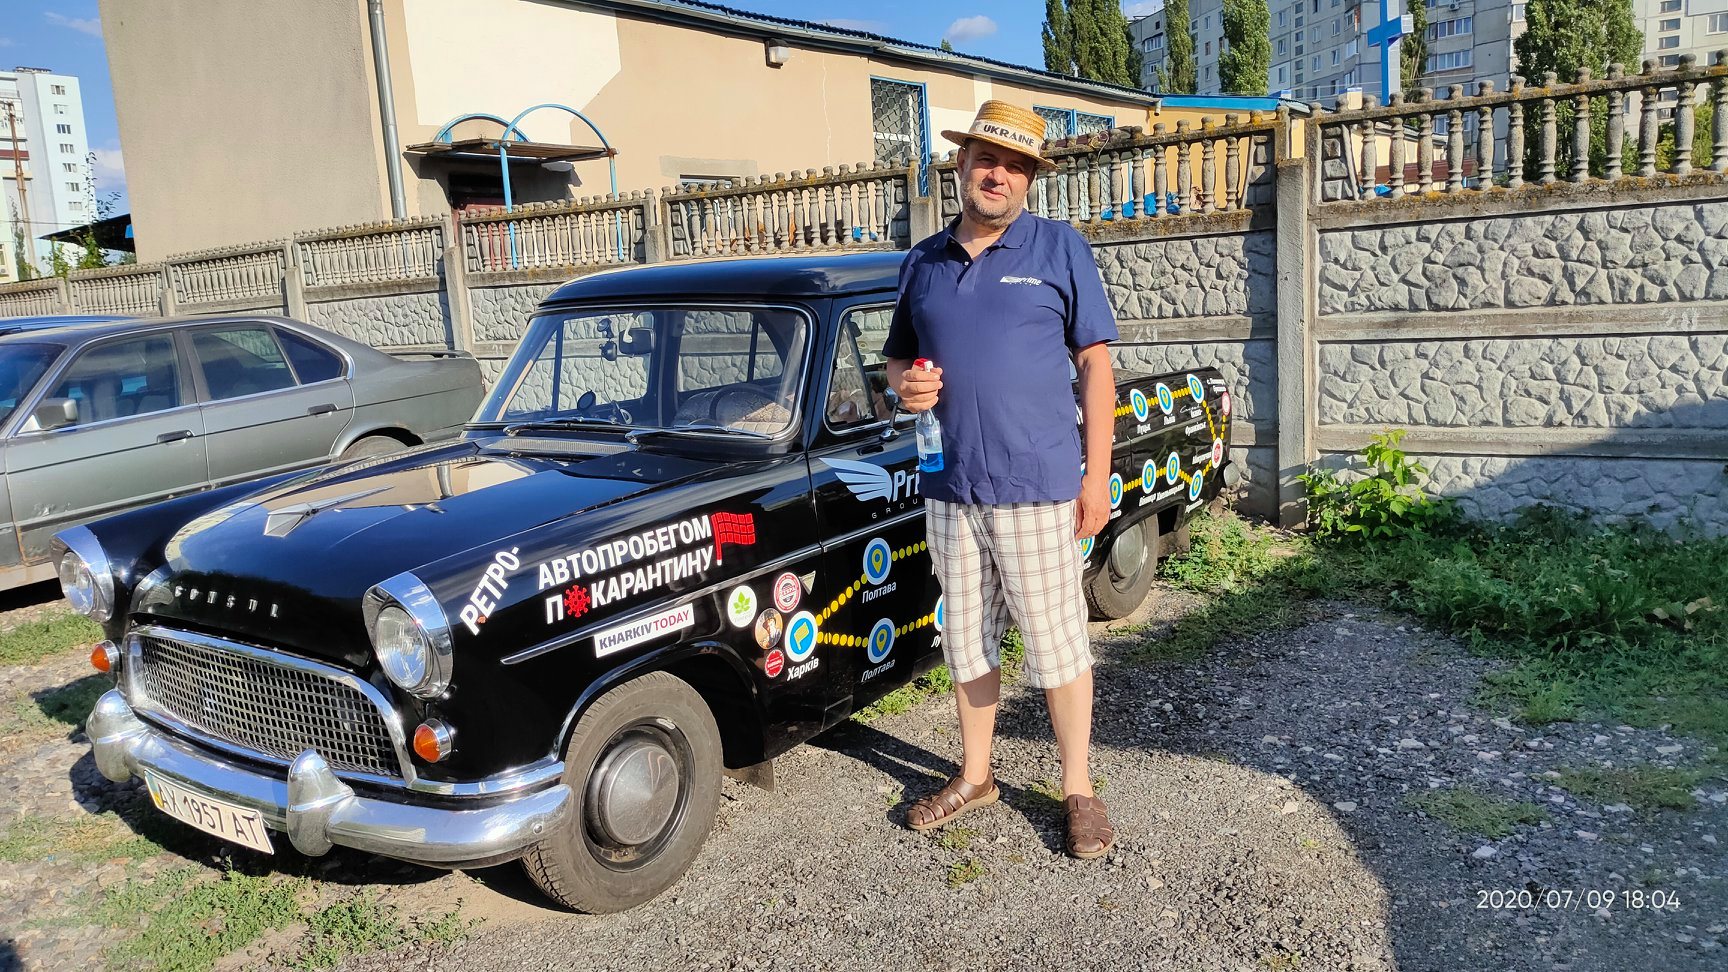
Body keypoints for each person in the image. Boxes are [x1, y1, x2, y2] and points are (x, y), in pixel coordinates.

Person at [883, 100, 1118, 859]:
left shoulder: (1059, 249)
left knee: (1056, 646)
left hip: (1039, 485)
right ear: (960, 163)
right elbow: (898, 359)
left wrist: (1096, 478)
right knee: (967, 641)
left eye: (1015, 165)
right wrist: (903, 386)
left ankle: (1077, 789)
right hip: (950, 488)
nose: (998, 174)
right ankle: (977, 775)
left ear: (1030, 180)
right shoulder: (922, 261)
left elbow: (1097, 367)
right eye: (987, 157)